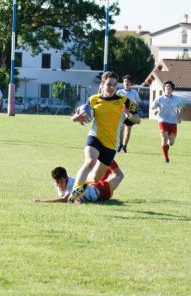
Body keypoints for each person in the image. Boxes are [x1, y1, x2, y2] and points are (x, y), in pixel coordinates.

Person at [69, 71, 140, 202]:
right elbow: (78, 116)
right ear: (102, 84)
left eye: (114, 85)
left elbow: (138, 119)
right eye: (108, 84)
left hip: (111, 145)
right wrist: (76, 118)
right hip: (95, 138)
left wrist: (128, 115)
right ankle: (76, 190)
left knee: (95, 179)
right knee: (90, 162)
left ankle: (77, 184)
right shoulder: (93, 99)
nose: (112, 87)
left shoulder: (124, 100)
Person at [31, 161, 123, 204]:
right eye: (57, 182)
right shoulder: (58, 183)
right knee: (103, 168)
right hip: (91, 185)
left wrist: (41, 201)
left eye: (61, 182)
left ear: (66, 178)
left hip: (102, 190)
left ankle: (108, 156)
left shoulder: (72, 183)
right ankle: (104, 159)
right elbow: (69, 198)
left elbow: (64, 199)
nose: (59, 185)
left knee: (118, 175)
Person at [151, 81, 184, 163]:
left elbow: (180, 108)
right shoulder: (159, 99)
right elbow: (152, 107)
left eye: (169, 87)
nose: (168, 88)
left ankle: (166, 147)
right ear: (164, 88)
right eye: (166, 87)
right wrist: (155, 111)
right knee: (164, 138)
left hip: (173, 122)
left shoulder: (176, 99)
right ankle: (166, 158)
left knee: (171, 142)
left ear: (172, 89)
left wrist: (179, 117)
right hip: (162, 121)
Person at [116, 74, 141, 153]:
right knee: (121, 129)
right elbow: (115, 102)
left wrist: (136, 103)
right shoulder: (119, 92)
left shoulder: (134, 92)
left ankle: (125, 146)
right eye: (125, 81)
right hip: (121, 113)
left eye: (128, 81)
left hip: (131, 113)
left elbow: (138, 103)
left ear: (131, 83)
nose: (126, 83)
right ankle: (120, 144)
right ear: (123, 83)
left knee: (128, 130)